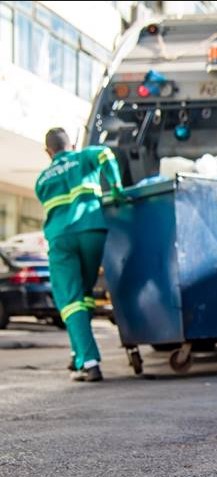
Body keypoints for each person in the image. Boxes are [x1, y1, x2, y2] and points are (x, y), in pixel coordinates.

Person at [34, 128, 124, 382]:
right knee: (82, 296)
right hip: (93, 231)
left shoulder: (42, 180)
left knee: (70, 299)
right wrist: (116, 187)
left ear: (47, 151)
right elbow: (106, 153)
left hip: (62, 240)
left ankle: (90, 361)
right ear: (71, 144)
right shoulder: (84, 157)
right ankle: (78, 355)